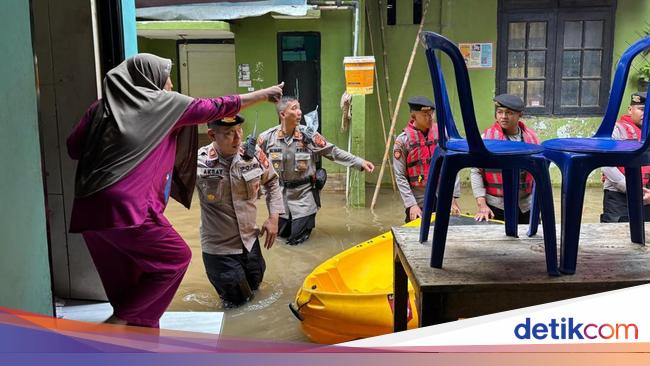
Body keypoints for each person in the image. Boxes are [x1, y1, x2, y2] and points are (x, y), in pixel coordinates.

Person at [66, 53, 283, 327]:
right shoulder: (161, 104)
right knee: (177, 259)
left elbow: (74, 148)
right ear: (151, 81)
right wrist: (265, 94)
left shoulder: (100, 109)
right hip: (128, 207)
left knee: (129, 286)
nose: (170, 87)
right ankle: (114, 327)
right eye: (167, 80)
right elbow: (215, 106)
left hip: (88, 211)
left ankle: (136, 339)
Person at [257, 96, 375, 245]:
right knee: (281, 238)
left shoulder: (309, 136)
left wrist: (359, 162)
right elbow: (254, 163)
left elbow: (333, 152)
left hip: (304, 197)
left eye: (299, 108)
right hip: (281, 198)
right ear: (282, 114)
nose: (300, 112)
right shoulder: (267, 138)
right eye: (294, 108)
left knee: (297, 241)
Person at [196, 115, 284, 307]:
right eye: (229, 134)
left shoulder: (253, 155)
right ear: (212, 135)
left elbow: (272, 182)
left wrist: (273, 218)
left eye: (239, 131)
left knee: (255, 291)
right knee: (238, 304)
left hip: (250, 243)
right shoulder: (198, 163)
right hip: (219, 251)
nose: (237, 139)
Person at [471, 94, 540, 222]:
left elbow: (540, 174)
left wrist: (539, 202)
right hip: (496, 206)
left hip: (527, 205)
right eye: (500, 112)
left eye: (509, 113)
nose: (503, 117)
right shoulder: (486, 139)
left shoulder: (532, 139)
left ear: (520, 115)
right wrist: (482, 205)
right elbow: (476, 171)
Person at [393, 96, 461, 223]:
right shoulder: (402, 141)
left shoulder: (443, 135)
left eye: (431, 114)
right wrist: (411, 204)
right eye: (425, 115)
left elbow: (453, 165)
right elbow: (400, 176)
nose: (430, 118)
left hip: (442, 198)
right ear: (413, 117)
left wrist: (452, 198)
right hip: (418, 201)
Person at [601, 92, 650, 222]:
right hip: (618, 195)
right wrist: (630, 187)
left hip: (647, 195)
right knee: (616, 235)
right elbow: (606, 163)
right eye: (641, 109)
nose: (645, 114)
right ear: (630, 109)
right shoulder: (615, 130)